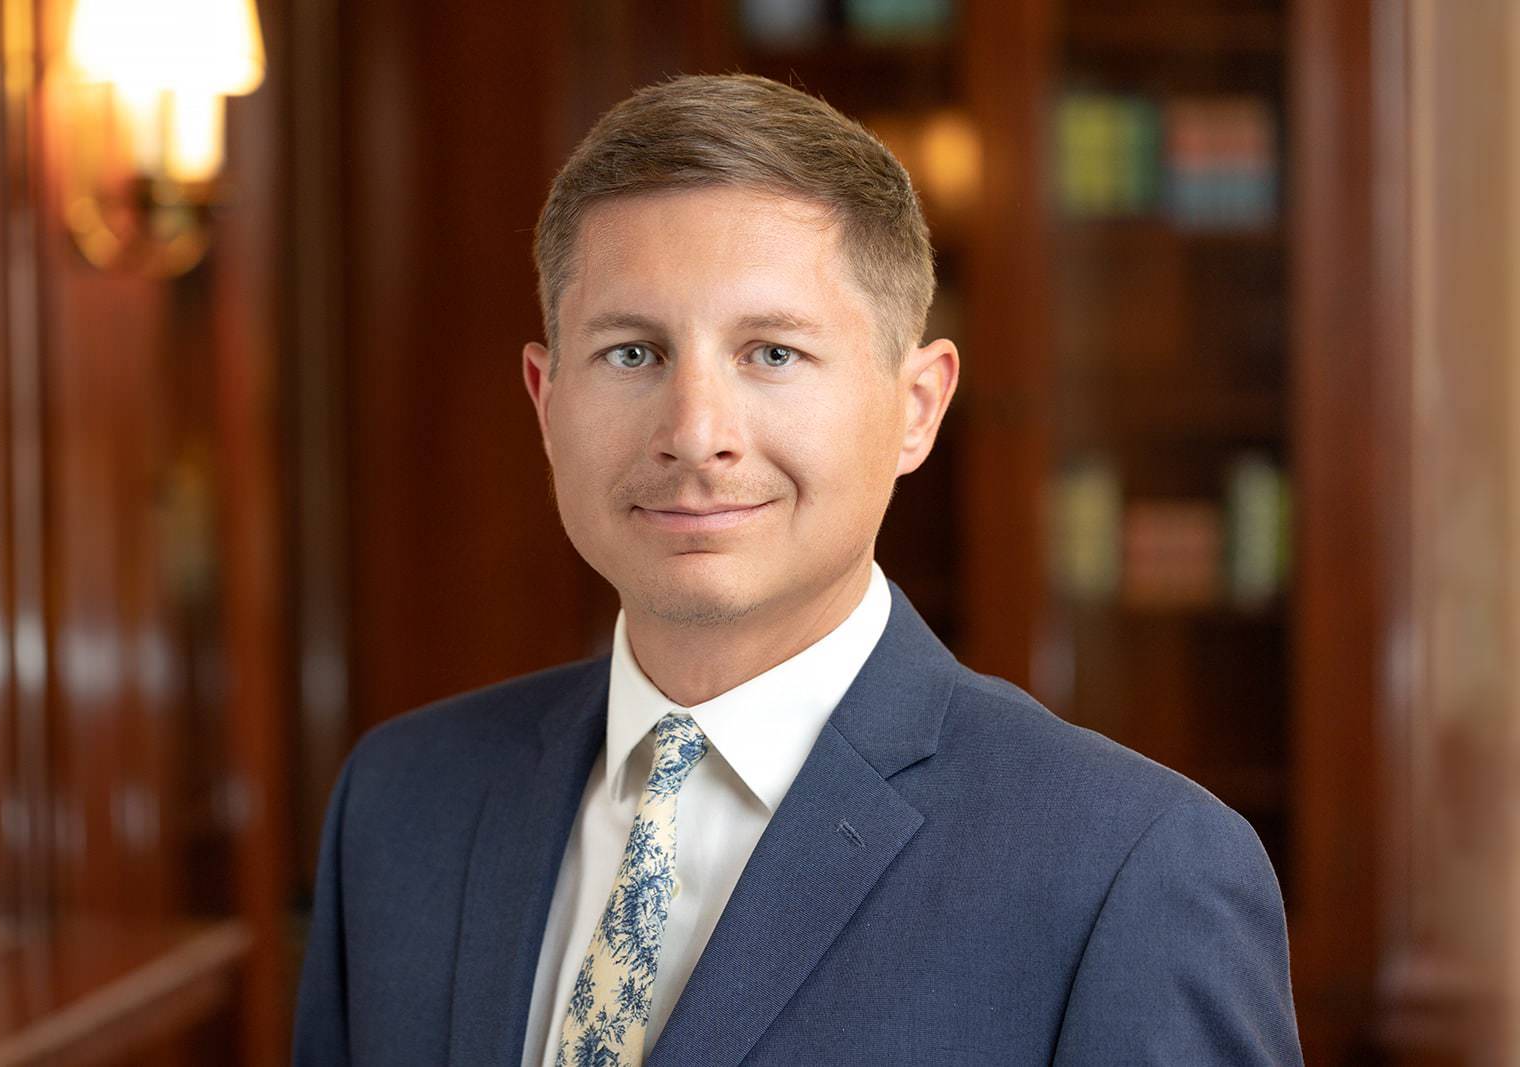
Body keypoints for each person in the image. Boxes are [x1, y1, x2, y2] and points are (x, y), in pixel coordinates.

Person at [293, 73, 1302, 1066]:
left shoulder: (1130, 867)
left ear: (916, 406)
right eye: (632, 353)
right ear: (544, 400)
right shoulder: (402, 801)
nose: (696, 434)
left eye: (771, 353)